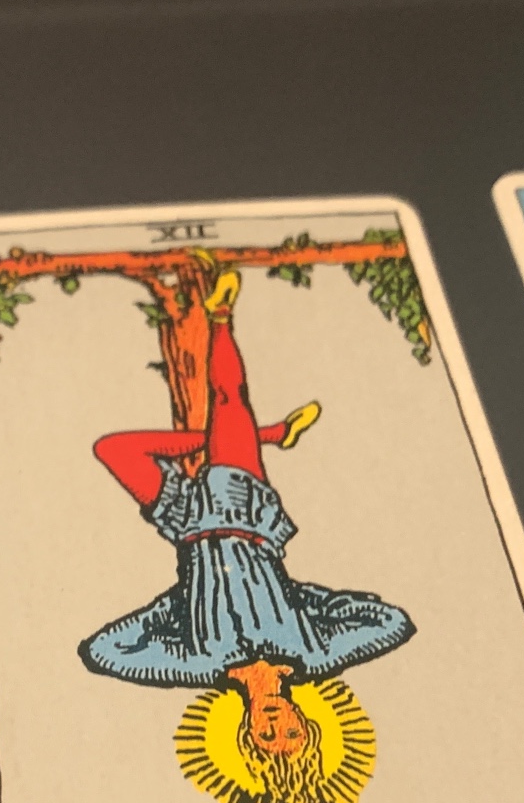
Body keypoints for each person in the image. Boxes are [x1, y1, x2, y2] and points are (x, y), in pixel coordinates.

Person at [79, 268, 415, 691]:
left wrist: (178, 606)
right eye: (289, 725)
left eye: (264, 728)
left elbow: (105, 650)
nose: (274, 721)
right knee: (227, 400)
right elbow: (390, 622)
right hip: (241, 511)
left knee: (113, 450)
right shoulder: (315, 654)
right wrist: (300, 597)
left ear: (244, 726)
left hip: (186, 524)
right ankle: (221, 316)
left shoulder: (200, 666)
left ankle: (267, 434)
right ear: (302, 719)